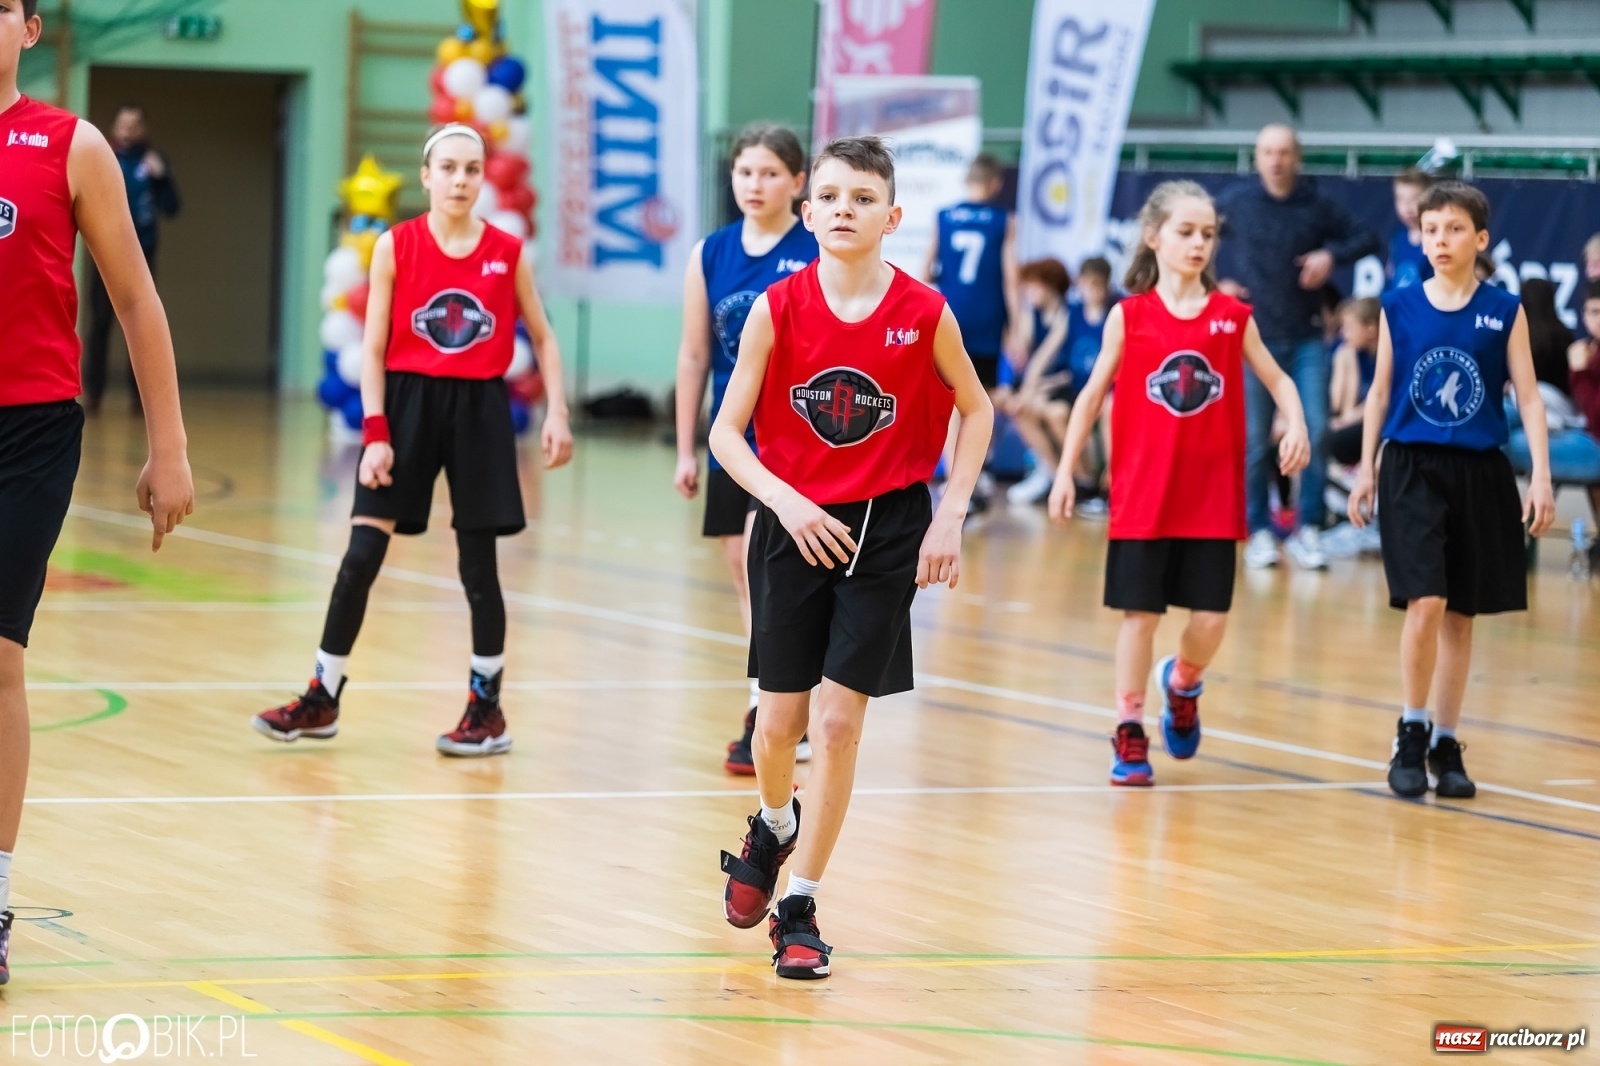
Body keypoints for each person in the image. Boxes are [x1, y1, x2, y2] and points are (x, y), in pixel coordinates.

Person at [713, 136, 992, 979]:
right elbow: (727, 433)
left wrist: (950, 517)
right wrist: (784, 500)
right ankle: (772, 821)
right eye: (829, 196)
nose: (843, 208)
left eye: (863, 198)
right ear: (808, 213)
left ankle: (799, 905)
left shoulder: (924, 311)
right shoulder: (777, 308)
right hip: (794, 526)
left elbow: (975, 412)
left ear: (893, 217)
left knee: (838, 725)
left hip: (888, 532)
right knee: (777, 727)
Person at [252, 124, 572, 757]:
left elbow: (545, 336)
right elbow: (372, 348)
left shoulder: (507, 254)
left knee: (478, 569)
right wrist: (376, 432)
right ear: (425, 177)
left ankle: (487, 709)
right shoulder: (396, 246)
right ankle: (322, 695)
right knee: (362, 555)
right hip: (406, 405)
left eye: (472, 169)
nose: (460, 180)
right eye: (448, 168)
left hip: (478, 410)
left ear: (483, 177)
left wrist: (556, 412)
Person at [0, 0, 196, 984]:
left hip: (29, 430)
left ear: (31, 28)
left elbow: (132, 298)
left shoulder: (69, 147)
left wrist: (169, 443)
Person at [1047, 180, 1311, 787]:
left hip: (1213, 495)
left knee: (1211, 621)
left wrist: (1295, 422)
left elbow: (1280, 379)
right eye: (1186, 232)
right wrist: (1066, 469)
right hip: (1144, 492)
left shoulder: (1231, 317)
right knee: (1139, 617)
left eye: (1208, 234)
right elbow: (1089, 399)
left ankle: (1184, 681)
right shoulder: (1130, 316)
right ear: (1153, 237)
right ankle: (1130, 728)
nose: (1198, 244)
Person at [1348, 181, 1555, 800]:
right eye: (1431, 228)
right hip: (1411, 466)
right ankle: (1409, 730)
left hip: (1480, 470)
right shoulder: (1398, 306)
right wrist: (1365, 467)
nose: (1440, 239)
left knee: (1461, 616)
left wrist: (1540, 474)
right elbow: (1379, 393)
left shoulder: (1504, 309)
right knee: (1427, 602)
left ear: (1480, 239)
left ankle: (1446, 740)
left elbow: (1532, 397)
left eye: (1454, 229)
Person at [673, 124, 817, 775]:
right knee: (740, 565)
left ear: (797, 181)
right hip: (733, 436)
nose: (754, 184)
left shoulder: (812, 248)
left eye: (768, 173)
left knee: (766, 564)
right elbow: (696, 352)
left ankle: (772, 706)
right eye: (744, 172)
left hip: (792, 438)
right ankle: (772, 697)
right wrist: (685, 448)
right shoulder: (711, 252)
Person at [1217, 124, 1380, 571]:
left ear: (1297, 157)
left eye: (1284, 152)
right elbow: (1192, 234)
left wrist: (1331, 257)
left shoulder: (1316, 205)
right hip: (1254, 340)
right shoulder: (1237, 203)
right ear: (1257, 158)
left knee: (1315, 430)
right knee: (1254, 439)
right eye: (1267, 151)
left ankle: (1309, 527)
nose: (1275, 160)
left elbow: (1368, 237)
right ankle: (1259, 532)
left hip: (1308, 337)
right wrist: (1217, 284)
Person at [923, 153, 1018, 508]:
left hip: (952, 315)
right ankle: (978, 471)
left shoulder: (944, 216)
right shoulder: (1003, 220)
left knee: (951, 400)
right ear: (995, 183)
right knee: (985, 398)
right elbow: (1010, 277)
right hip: (988, 317)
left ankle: (951, 477)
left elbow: (925, 267)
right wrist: (1018, 324)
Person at [82, 102, 180, 416]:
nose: (126, 131)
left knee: (141, 323)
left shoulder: (153, 161)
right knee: (100, 324)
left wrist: (162, 178)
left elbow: (173, 208)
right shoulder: (102, 156)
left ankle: (140, 401)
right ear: (114, 128)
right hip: (105, 252)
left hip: (143, 253)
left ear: (142, 129)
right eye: (121, 124)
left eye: (132, 125)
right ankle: (93, 395)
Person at [1005, 257, 1114, 506]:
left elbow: (1057, 364)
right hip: (1069, 387)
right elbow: (1040, 357)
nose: (1092, 291)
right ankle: (1057, 476)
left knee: (1056, 413)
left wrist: (1034, 388)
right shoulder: (1071, 313)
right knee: (1022, 409)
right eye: (1087, 285)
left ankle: (1087, 481)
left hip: (1088, 389)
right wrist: (1028, 388)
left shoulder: (1109, 313)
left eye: (1097, 285)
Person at [1506, 279, 1600, 525]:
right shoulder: (1587, 347)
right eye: (1592, 311)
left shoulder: (1580, 351)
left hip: (1589, 439)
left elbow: (1596, 418)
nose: (1596, 319)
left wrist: (1580, 373)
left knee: (1502, 440)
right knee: (1502, 417)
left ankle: (1501, 523)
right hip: (1572, 427)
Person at [1326, 297, 1381, 467]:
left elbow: (1380, 401)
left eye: (1349, 327)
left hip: (1380, 422)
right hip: (1357, 417)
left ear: (1371, 330)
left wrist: (1345, 421)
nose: (1343, 333)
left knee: (1336, 440)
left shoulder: (1387, 358)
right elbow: (1339, 403)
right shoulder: (1355, 354)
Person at [1387, 168, 1433, 292]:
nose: (1407, 207)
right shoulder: (1398, 239)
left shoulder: (1436, 240)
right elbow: (1392, 277)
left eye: (1414, 199)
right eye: (1401, 199)